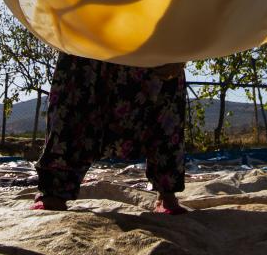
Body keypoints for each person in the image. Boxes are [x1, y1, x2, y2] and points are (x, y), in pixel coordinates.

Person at [31, 54, 188, 215]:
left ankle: (166, 191)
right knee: (76, 86)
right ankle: (55, 190)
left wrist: (180, 53)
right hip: (91, 35)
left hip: (151, 41)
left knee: (165, 82)